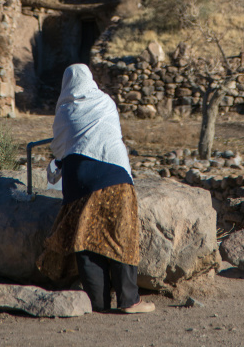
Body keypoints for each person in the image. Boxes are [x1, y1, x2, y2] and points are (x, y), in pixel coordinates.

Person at [37, 63, 155, 314]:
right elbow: (112, 134)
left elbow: (59, 149)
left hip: (78, 179)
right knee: (121, 235)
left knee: (86, 240)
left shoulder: (64, 110)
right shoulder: (105, 102)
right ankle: (129, 300)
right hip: (114, 174)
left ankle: (97, 303)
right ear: (90, 79)